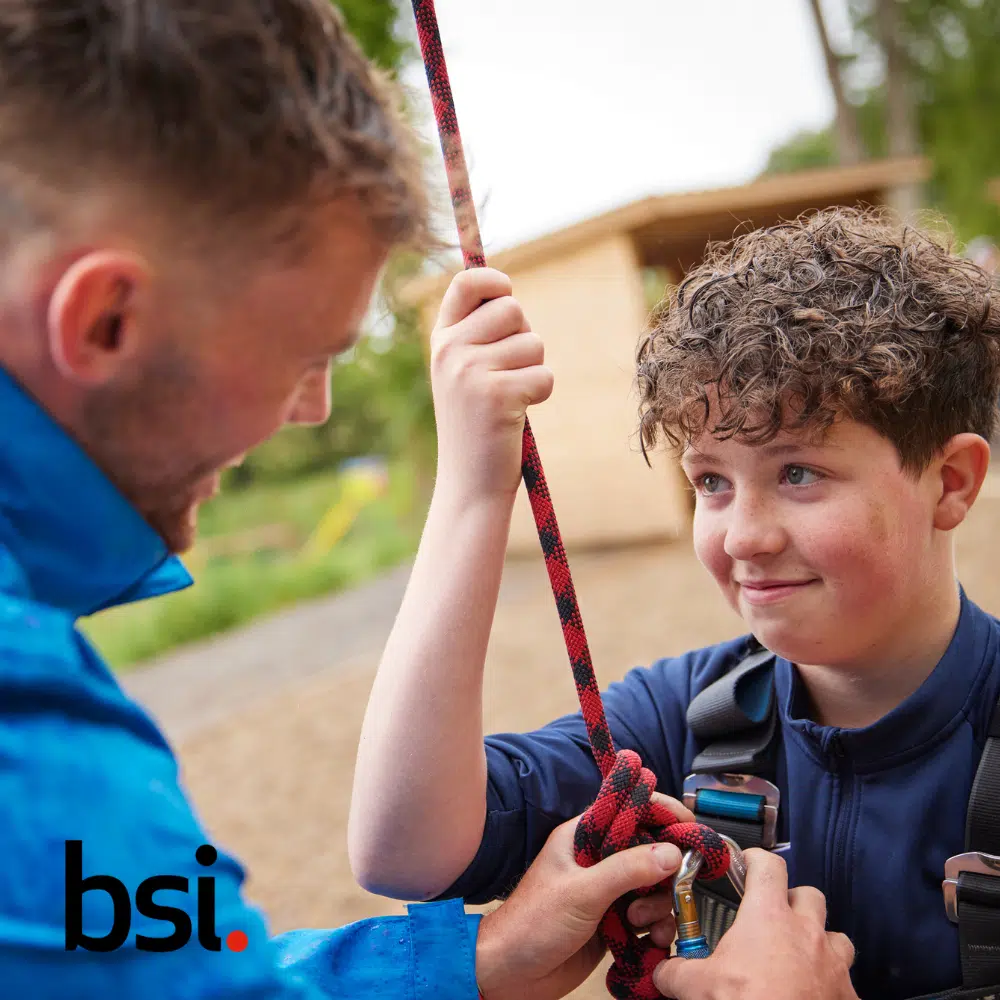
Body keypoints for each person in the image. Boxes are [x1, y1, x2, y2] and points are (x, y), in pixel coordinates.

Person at [0, 2, 763, 998]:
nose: (313, 411)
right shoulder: (34, 734)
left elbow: (158, 967)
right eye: (307, 357)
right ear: (105, 320)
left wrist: (469, 963)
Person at [349, 206, 1000, 999]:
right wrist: (475, 489)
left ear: (953, 482)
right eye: (712, 482)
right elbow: (405, 853)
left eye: (798, 472)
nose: (743, 537)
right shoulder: (682, 721)